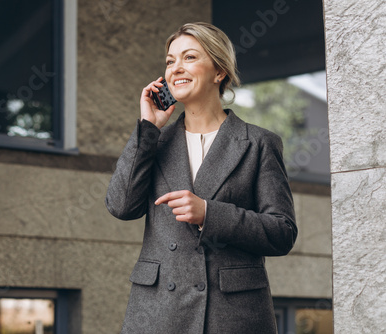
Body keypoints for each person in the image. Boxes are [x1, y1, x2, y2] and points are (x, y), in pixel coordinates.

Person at [105, 22, 297, 334]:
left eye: (189, 57)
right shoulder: (155, 140)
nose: (175, 68)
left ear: (219, 71)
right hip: (158, 315)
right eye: (170, 61)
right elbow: (121, 206)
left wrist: (210, 213)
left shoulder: (259, 143)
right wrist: (147, 127)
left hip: (232, 315)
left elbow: (282, 232)